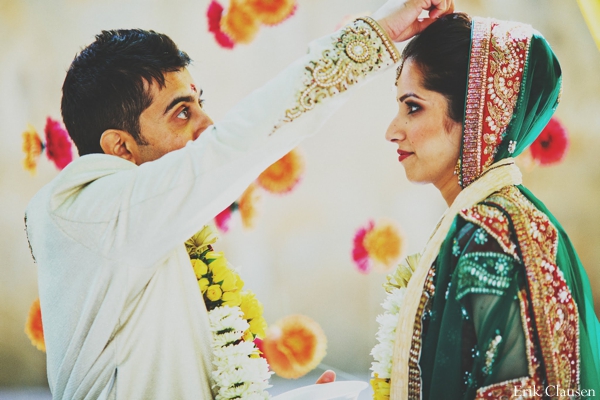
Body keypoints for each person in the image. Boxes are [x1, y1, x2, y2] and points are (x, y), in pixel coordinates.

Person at [24, 1, 455, 399]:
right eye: (181, 112)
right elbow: (232, 145)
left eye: (199, 104)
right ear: (121, 148)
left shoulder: (146, 228)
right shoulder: (92, 210)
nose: (207, 124)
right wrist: (376, 33)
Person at [374, 12, 600, 399]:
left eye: (413, 107)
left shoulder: (490, 238)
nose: (392, 131)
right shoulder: (492, 221)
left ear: (480, 116)